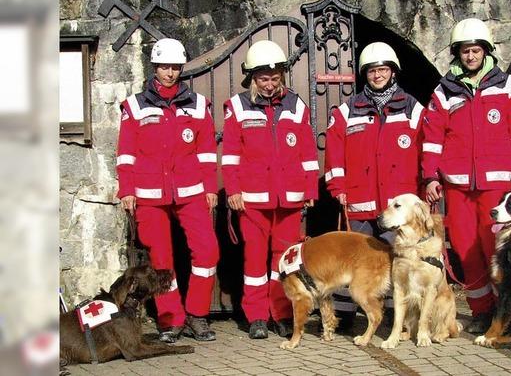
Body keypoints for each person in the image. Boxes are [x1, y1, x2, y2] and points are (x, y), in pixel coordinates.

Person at [422, 18, 511, 333]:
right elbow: (432, 139)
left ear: (486, 51)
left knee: (496, 250)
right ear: (457, 54)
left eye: (475, 50)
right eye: (464, 51)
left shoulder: (509, 87)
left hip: (498, 188)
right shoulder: (443, 92)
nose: (470, 56)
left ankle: (507, 312)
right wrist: (431, 176)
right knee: (465, 248)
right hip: (457, 187)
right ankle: (481, 311)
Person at [116, 38, 219, 343]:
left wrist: (210, 188)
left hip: (191, 191)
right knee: (161, 259)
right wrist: (127, 190)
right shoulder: (134, 106)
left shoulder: (199, 105)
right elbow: (126, 153)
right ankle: (170, 320)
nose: (170, 73)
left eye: (175, 67)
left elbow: (206, 152)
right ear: (155, 68)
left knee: (208, 251)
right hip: (149, 193)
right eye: (164, 67)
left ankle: (197, 315)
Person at [323, 41, 429, 326]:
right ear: (364, 74)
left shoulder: (412, 108)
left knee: (394, 259)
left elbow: (426, 150)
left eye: (383, 69)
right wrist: (338, 188)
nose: (378, 75)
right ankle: (345, 313)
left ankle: (395, 312)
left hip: (396, 207)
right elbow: (333, 154)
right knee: (353, 257)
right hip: (359, 200)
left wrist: (424, 187)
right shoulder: (348, 111)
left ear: (393, 72)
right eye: (372, 71)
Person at [221, 40, 319, 339]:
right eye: (263, 78)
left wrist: (311, 190)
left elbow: (308, 153)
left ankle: (282, 313)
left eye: (275, 78)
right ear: (252, 77)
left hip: (289, 198)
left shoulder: (296, 105)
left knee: (285, 260)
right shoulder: (237, 107)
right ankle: (256, 317)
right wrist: (233, 190)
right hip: (251, 200)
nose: (269, 84)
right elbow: (230, 155)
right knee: (254, 259)